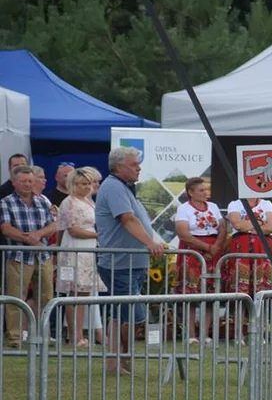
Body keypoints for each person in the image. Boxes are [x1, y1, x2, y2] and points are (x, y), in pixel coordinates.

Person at [96, 147, 165, 373]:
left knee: (119, 314)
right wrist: (150, 243)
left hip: (130, 262)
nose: (139, 168)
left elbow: (133, 219)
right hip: (121, 263)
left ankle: (115, 362)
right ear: (119, 167)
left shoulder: (122, 187)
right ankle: (122, 359)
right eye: (134, 164)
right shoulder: (114, 187)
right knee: (133, 316)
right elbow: (127, 219)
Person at [1, 165, 58, 348]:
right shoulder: (6, 202)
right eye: (23, 181)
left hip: (43, 257)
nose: (27, 184)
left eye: (30, 181)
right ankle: (15, 338)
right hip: (18, 256)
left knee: (47, 297)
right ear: (14, 182)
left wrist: (38, 235)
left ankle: (43, 335)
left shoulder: (43, 201)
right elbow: (6, 229)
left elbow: (53, 225)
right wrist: (30, 240)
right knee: (16, 297)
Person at [56, 167, 106, 346]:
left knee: (83, 292)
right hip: (75, 247)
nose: (87, 187)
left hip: (89, 248)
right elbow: (73, 229)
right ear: (73, 184)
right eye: (83, 184)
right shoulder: (69, 202)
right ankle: (74, 335)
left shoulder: (88, 201)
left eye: (89, 183)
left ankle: (79, 335)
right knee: (74, 293)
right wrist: (98, 235)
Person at [174, 177, 227, 343]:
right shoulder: (183, 209)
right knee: (190, 294)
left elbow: (223, 228)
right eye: (201, 190)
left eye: (206, 190)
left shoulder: (213, 207)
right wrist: (207, 248)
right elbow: (183, 233)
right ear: (190, 193)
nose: (206, 193)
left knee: (211, 294)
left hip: (213, 250)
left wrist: (215, 248)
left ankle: (205, 333)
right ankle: (191, 335)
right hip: (193, 251)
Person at [223, 197, 272, 340]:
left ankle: (259, 334)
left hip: (263, 250)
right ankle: (238, 334)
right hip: (241, 248)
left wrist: (247, 225)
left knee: (262, 292)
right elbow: (237, 225)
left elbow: (271, 227)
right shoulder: (234, 203)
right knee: (240, 293)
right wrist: (259, 224)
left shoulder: (267, 204)